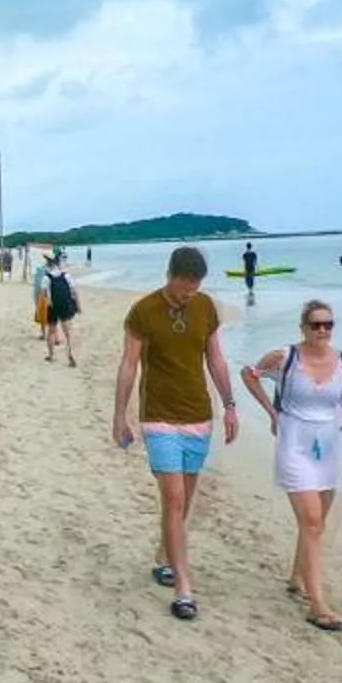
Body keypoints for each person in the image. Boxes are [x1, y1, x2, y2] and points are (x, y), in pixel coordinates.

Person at [112, 246, 241, 621]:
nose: (190, 292)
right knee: (173, 499)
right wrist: (120, 415)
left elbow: (215, 358)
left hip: (198, 414)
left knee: (185, 497)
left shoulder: (205, 308)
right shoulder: (143, 311)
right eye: (186, 285)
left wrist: (230, 405)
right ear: (171, 276)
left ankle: (164, 554)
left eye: (196, 285)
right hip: (159, 416)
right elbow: (128, 364)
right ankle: (184, 585)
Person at [244, 300, 342, 633]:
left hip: (329, 449)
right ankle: (318, 605)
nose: (322, 331)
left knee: (315, 524)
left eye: (328, 325)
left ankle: (295, 578)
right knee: (313, 520)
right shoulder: (285, 357)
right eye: (316, 325)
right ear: (303, 327)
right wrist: (272, 413)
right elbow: (250, 374)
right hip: (294, 445)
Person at [44, 251, 81, 365]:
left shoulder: (47, 277)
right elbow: (74, 292)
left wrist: (49, 303)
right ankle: (70, 355)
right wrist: (78, 306)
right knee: (68, 333)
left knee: (51, 331)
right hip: (65, 306)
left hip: (53, 306)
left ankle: (51, 355)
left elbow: (45, 294)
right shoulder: (66, 276)